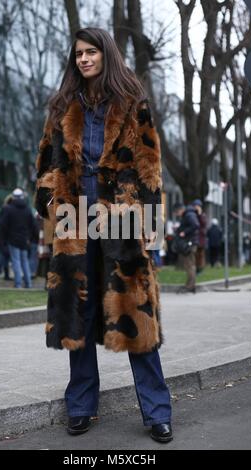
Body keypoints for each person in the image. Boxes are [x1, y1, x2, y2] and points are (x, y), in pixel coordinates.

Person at [34, 28, 172, 443]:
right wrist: (50, 202)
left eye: (91, 52)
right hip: (75, 218)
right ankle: (80, 405)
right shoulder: (62, 106)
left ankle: (157, 411)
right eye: (78, 54)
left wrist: (149, 225)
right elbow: (45, 160)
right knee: (79, 312)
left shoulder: (131, 102)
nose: (84, 59)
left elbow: (150, 164)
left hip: (122, 219)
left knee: (135, 316)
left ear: (105, 54)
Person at [0, 188, 36, 288]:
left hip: (13, 239)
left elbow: (2, 223)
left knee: (16, 261)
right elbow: (32, 225)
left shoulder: (8, 208)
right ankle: (28, 283)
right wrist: (30, 237)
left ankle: (18, 283)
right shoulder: (27, 209)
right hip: (24, 239)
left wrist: (5, 237)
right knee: (24, 261)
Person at [173, 202, 200, 293]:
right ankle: (191, 285)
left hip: (190, 243)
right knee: (189, 265)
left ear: (180, 209)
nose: (177, 215)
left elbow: (196, 225)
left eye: (177, 213)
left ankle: (190, 286)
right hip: (190, 242)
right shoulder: (188, 214)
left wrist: (184, 232)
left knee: (190, 265)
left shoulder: (189, 215)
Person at [192, 199, 207, 274]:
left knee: (200, 255)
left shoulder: (202, 215)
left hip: (201, 238)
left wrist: (200, 214)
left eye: (197, 206)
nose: (196, 207)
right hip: (194, 238)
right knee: (195, 254)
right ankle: (196, 268)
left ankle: (200, 268)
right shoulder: (192, 214)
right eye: (195, 206)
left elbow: (203, 223)